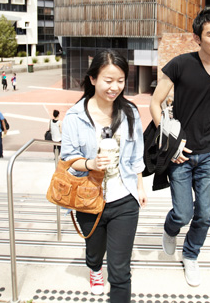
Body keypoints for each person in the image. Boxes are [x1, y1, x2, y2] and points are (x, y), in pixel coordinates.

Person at [149, 8, 210, 287]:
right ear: (197, 38)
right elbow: (154, 104)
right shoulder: (180, 64)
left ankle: (191, 255)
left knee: (205, 213)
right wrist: (171, 145)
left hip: (209, 151)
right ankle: (170, 228)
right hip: (181, 154)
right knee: (183, 213)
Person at [61, 50, 146, 302]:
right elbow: (67, 158)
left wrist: (139, 188)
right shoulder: (75, 116)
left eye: (120, 80)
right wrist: (90, 163)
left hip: (124, 199)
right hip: (89, 199)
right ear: (93, 79)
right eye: (108, 80)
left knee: (120, 270)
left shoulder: (130, 112)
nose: (115, 87)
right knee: (94, 252)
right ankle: (95, 269)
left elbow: (136, 155)